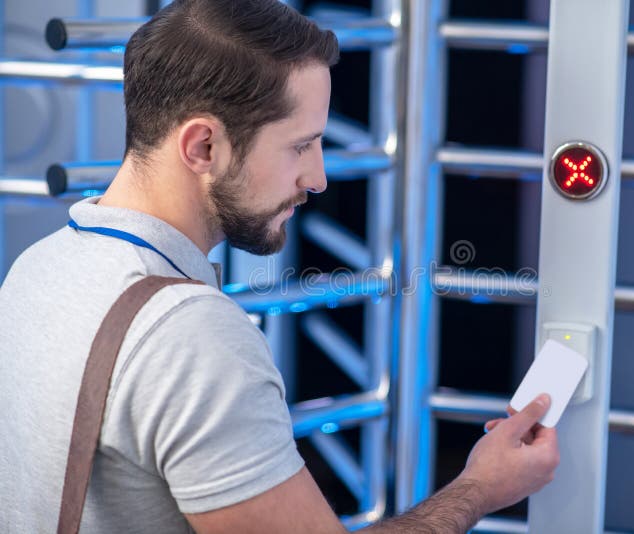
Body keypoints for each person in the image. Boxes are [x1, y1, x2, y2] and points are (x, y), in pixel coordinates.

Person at [0, 1, 559, 532]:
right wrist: (482, 486)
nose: (318, 178)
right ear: (203, 148)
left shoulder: (36, 267)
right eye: (300, 146)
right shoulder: (188, 334)